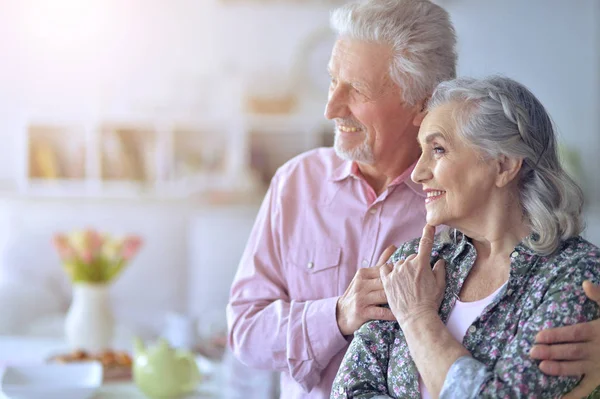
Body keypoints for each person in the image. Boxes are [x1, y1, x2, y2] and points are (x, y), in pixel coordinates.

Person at [227, 1, 600, 398]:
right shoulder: (297, 183)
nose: (330, 107)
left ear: (421, 105)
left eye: (357, 89)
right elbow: (248, 333)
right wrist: (339, 315)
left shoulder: (459, 231)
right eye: (332, 81)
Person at [331, 76, 600, 398]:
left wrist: (417, 317)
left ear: (504, 165)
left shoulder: (576, 275)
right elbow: (349, 391)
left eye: (438, 150)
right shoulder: (411, 264)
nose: (418, 173)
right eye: (422, 151)